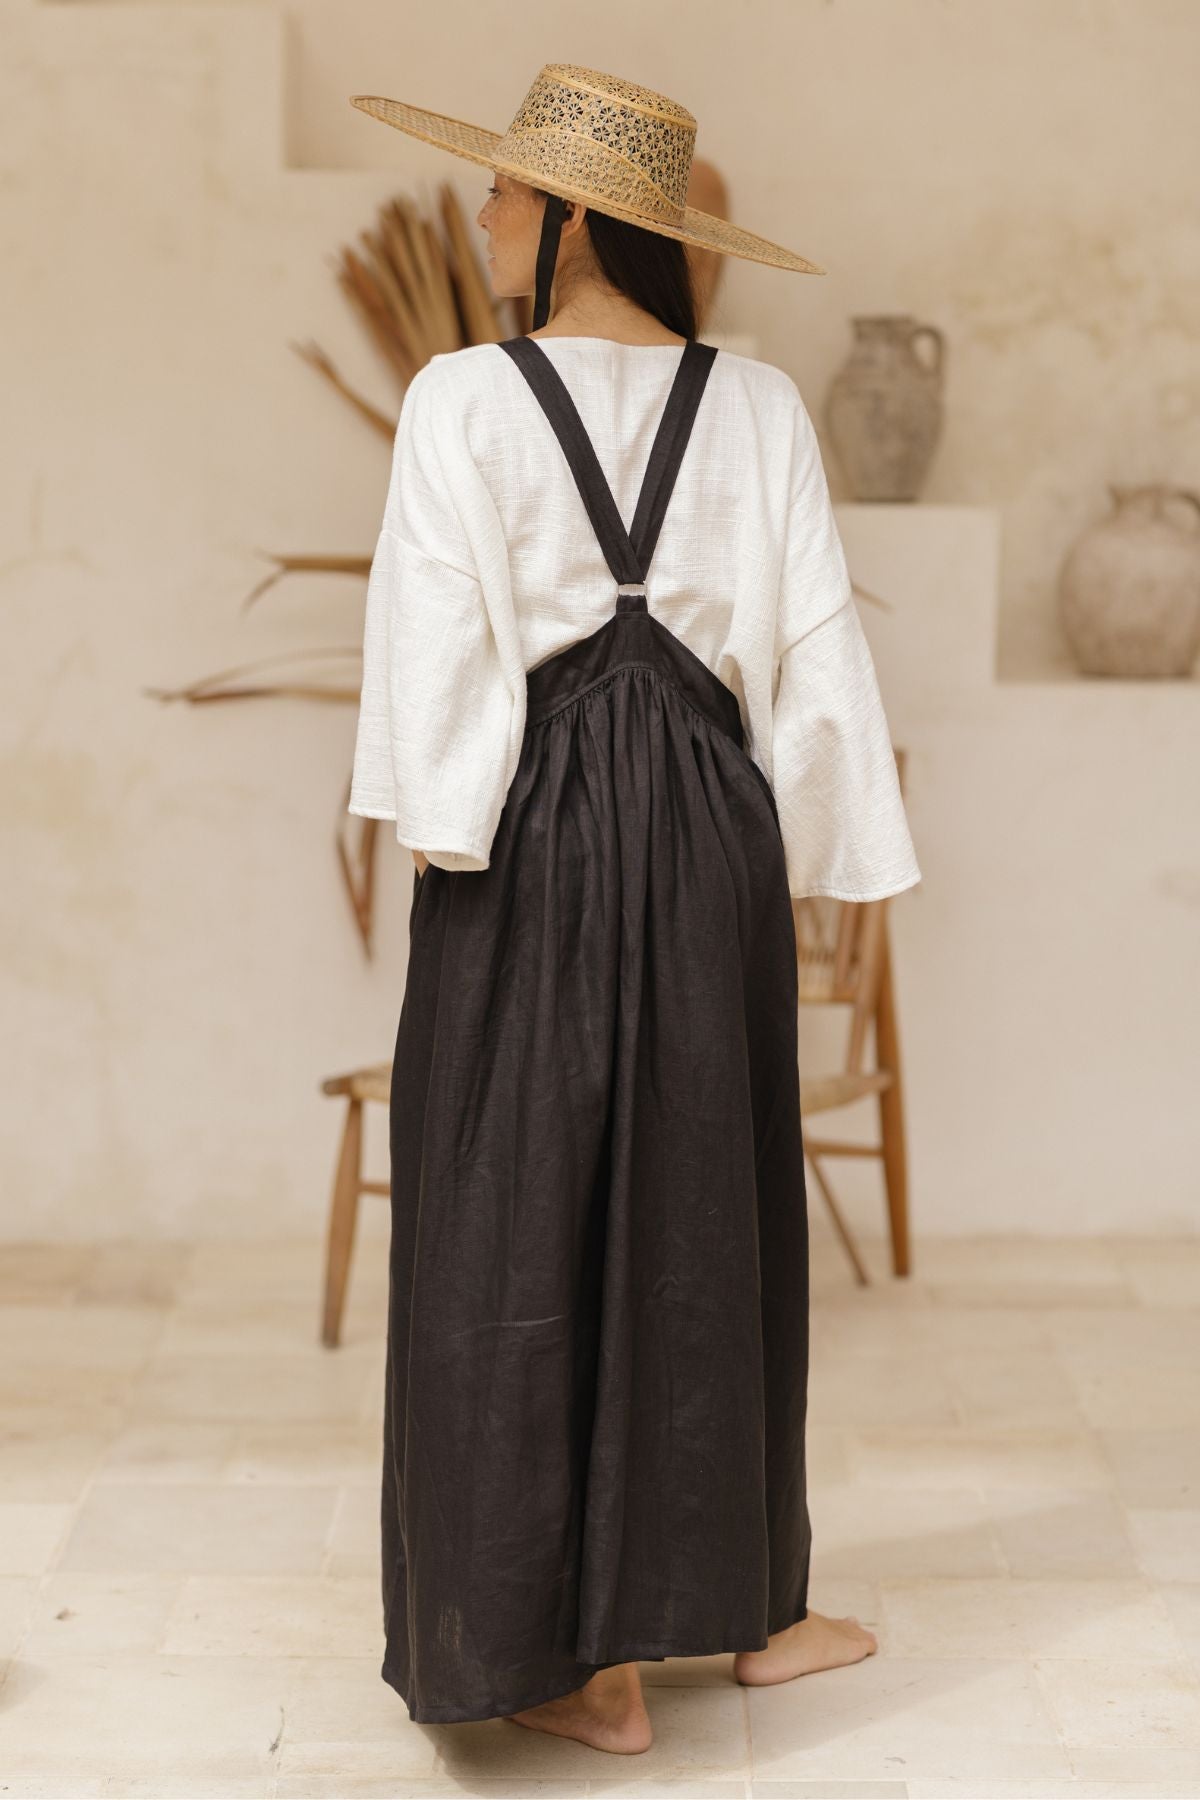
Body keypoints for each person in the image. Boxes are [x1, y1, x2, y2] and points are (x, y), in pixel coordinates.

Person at [347, 63, 920, 1755]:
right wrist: (822, 860)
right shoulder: (758, 406)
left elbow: (438, 641)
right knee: (706, 1203)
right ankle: (747, 1609)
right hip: (706, 832)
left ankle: (571, 1659)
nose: (485, 214)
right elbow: (814, 657)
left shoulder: (462, 400)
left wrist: (453, 837)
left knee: (509, 1209)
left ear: (578, 215)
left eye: (513, 195)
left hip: (529, 829)